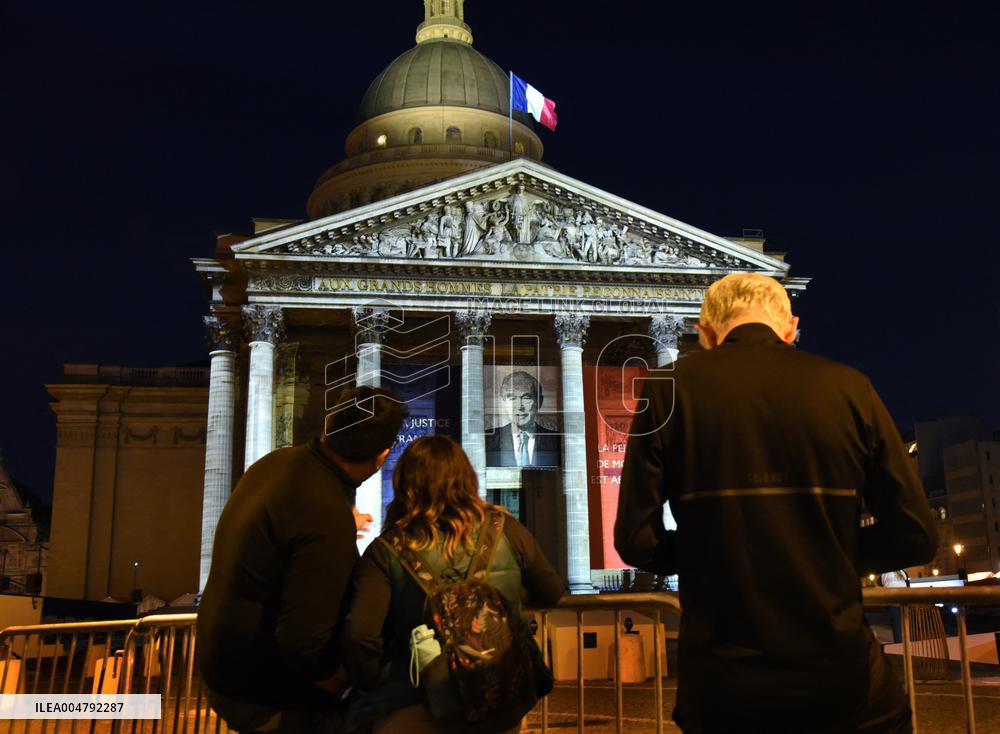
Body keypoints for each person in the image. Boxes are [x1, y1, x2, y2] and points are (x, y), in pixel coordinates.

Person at [614, 273, 938, 734]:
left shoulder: (667, 388)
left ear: (705, 333)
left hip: (725, 686)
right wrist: (829, 553)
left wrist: (715, 553)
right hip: (844, 684)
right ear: (790, 328)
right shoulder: (850, 387)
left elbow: (635, 540)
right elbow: (917, 535)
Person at [197, 386, 406, 734]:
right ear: (382, 456)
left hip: (222, 662)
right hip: (266, 690)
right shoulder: (322, 512)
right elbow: (303, 644)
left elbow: (285, 530)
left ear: (330, 424)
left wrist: (336, 523)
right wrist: (347, 686)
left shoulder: (276, 463)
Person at [342, 435, 563, 734]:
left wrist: (375, 681)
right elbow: (551, 591)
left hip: (412, 704)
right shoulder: (505, 528)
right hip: (497, 702)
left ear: (405, 485)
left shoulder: (386, 549)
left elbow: (361, 635)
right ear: (467, 479)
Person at [485, 370, 560, 467]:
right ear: (503, 403)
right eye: (512, 398)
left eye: (526, 398)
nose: (519, 406)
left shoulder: (557, 441)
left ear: (539, 402)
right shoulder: (487, 440)